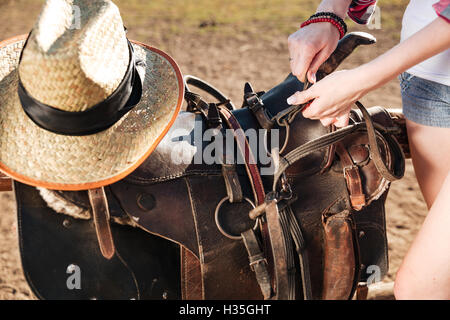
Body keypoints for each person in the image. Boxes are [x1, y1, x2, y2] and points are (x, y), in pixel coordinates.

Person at [287, 0, 450, 299]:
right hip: (428, 81)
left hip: (423, 63)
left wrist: (362, 80)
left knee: (422, 287)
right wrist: (332, 12)